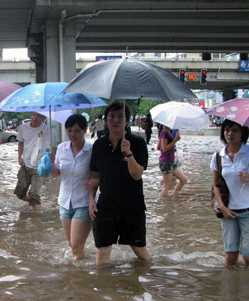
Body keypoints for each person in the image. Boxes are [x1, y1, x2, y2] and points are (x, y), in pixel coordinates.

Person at [89, 100, 151, 265]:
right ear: (106, 119)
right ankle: (104, 287)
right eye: (112, 116)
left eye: (120, 117)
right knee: (103, 249)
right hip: (106, 204)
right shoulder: (99, 145)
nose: (115, 120)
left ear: (127, 121)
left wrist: (129, 154)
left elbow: (137, 175)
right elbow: (94, 176)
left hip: (132, 205)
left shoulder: (137, 143)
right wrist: (90, 199)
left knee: (139, 250)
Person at [211, 119, 249, 267]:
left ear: (243, 133)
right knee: (230, 258)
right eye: (227, 130)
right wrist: (222, 207)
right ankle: (230, 287)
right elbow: (216, 185)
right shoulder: (218, 156)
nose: (230, 134)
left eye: (235, 130)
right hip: (229, 211)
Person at [51, 114, 93, 260]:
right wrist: (51, 164)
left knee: (75, 246)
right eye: (69, 130)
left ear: (85, 130)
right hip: (64, 202)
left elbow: (97, 176)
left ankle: (76, 278)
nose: (72, 134)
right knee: (72, 245)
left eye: (76, 131)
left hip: (83, 202)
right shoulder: (62, 148)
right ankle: (82, 265)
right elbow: (56, 174)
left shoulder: (92, 150)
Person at [14, 112, 50, 210]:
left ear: (43, 118)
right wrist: (19, 157)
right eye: (33, 115)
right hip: (25, 165)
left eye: (38, 116)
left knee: (35, 196)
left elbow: (47, 148)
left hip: (38, 167)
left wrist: (41, 138)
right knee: (20, 193)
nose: (35, 118)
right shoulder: (24, 127)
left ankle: (38, 221)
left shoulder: (46, 129)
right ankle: (32, 203)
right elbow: (21, 142)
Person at [158, 125, 186, 196]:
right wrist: (175, 140)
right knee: (166, 186)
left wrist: (172, 148)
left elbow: (159, 147)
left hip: (170, 161)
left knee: (183, 180)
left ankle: (174, 195)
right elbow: (164, 149)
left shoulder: (166, 132)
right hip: (166, 162)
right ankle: (165, 204)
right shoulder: (164, 133)